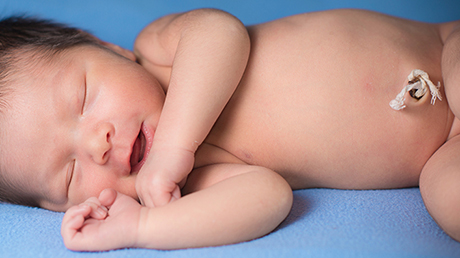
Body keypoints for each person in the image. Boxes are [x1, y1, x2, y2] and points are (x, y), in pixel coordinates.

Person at [0, 7, 460, 251]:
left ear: (110, 49)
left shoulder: (160, 49)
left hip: (446, 49)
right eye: (69, 174)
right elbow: (269, 196)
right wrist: (144, 225)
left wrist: (174, 148)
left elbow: (221, 32)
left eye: (82, 98)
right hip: (443, 147)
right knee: (451, 201)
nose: (95, 145)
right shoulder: (192, 182)